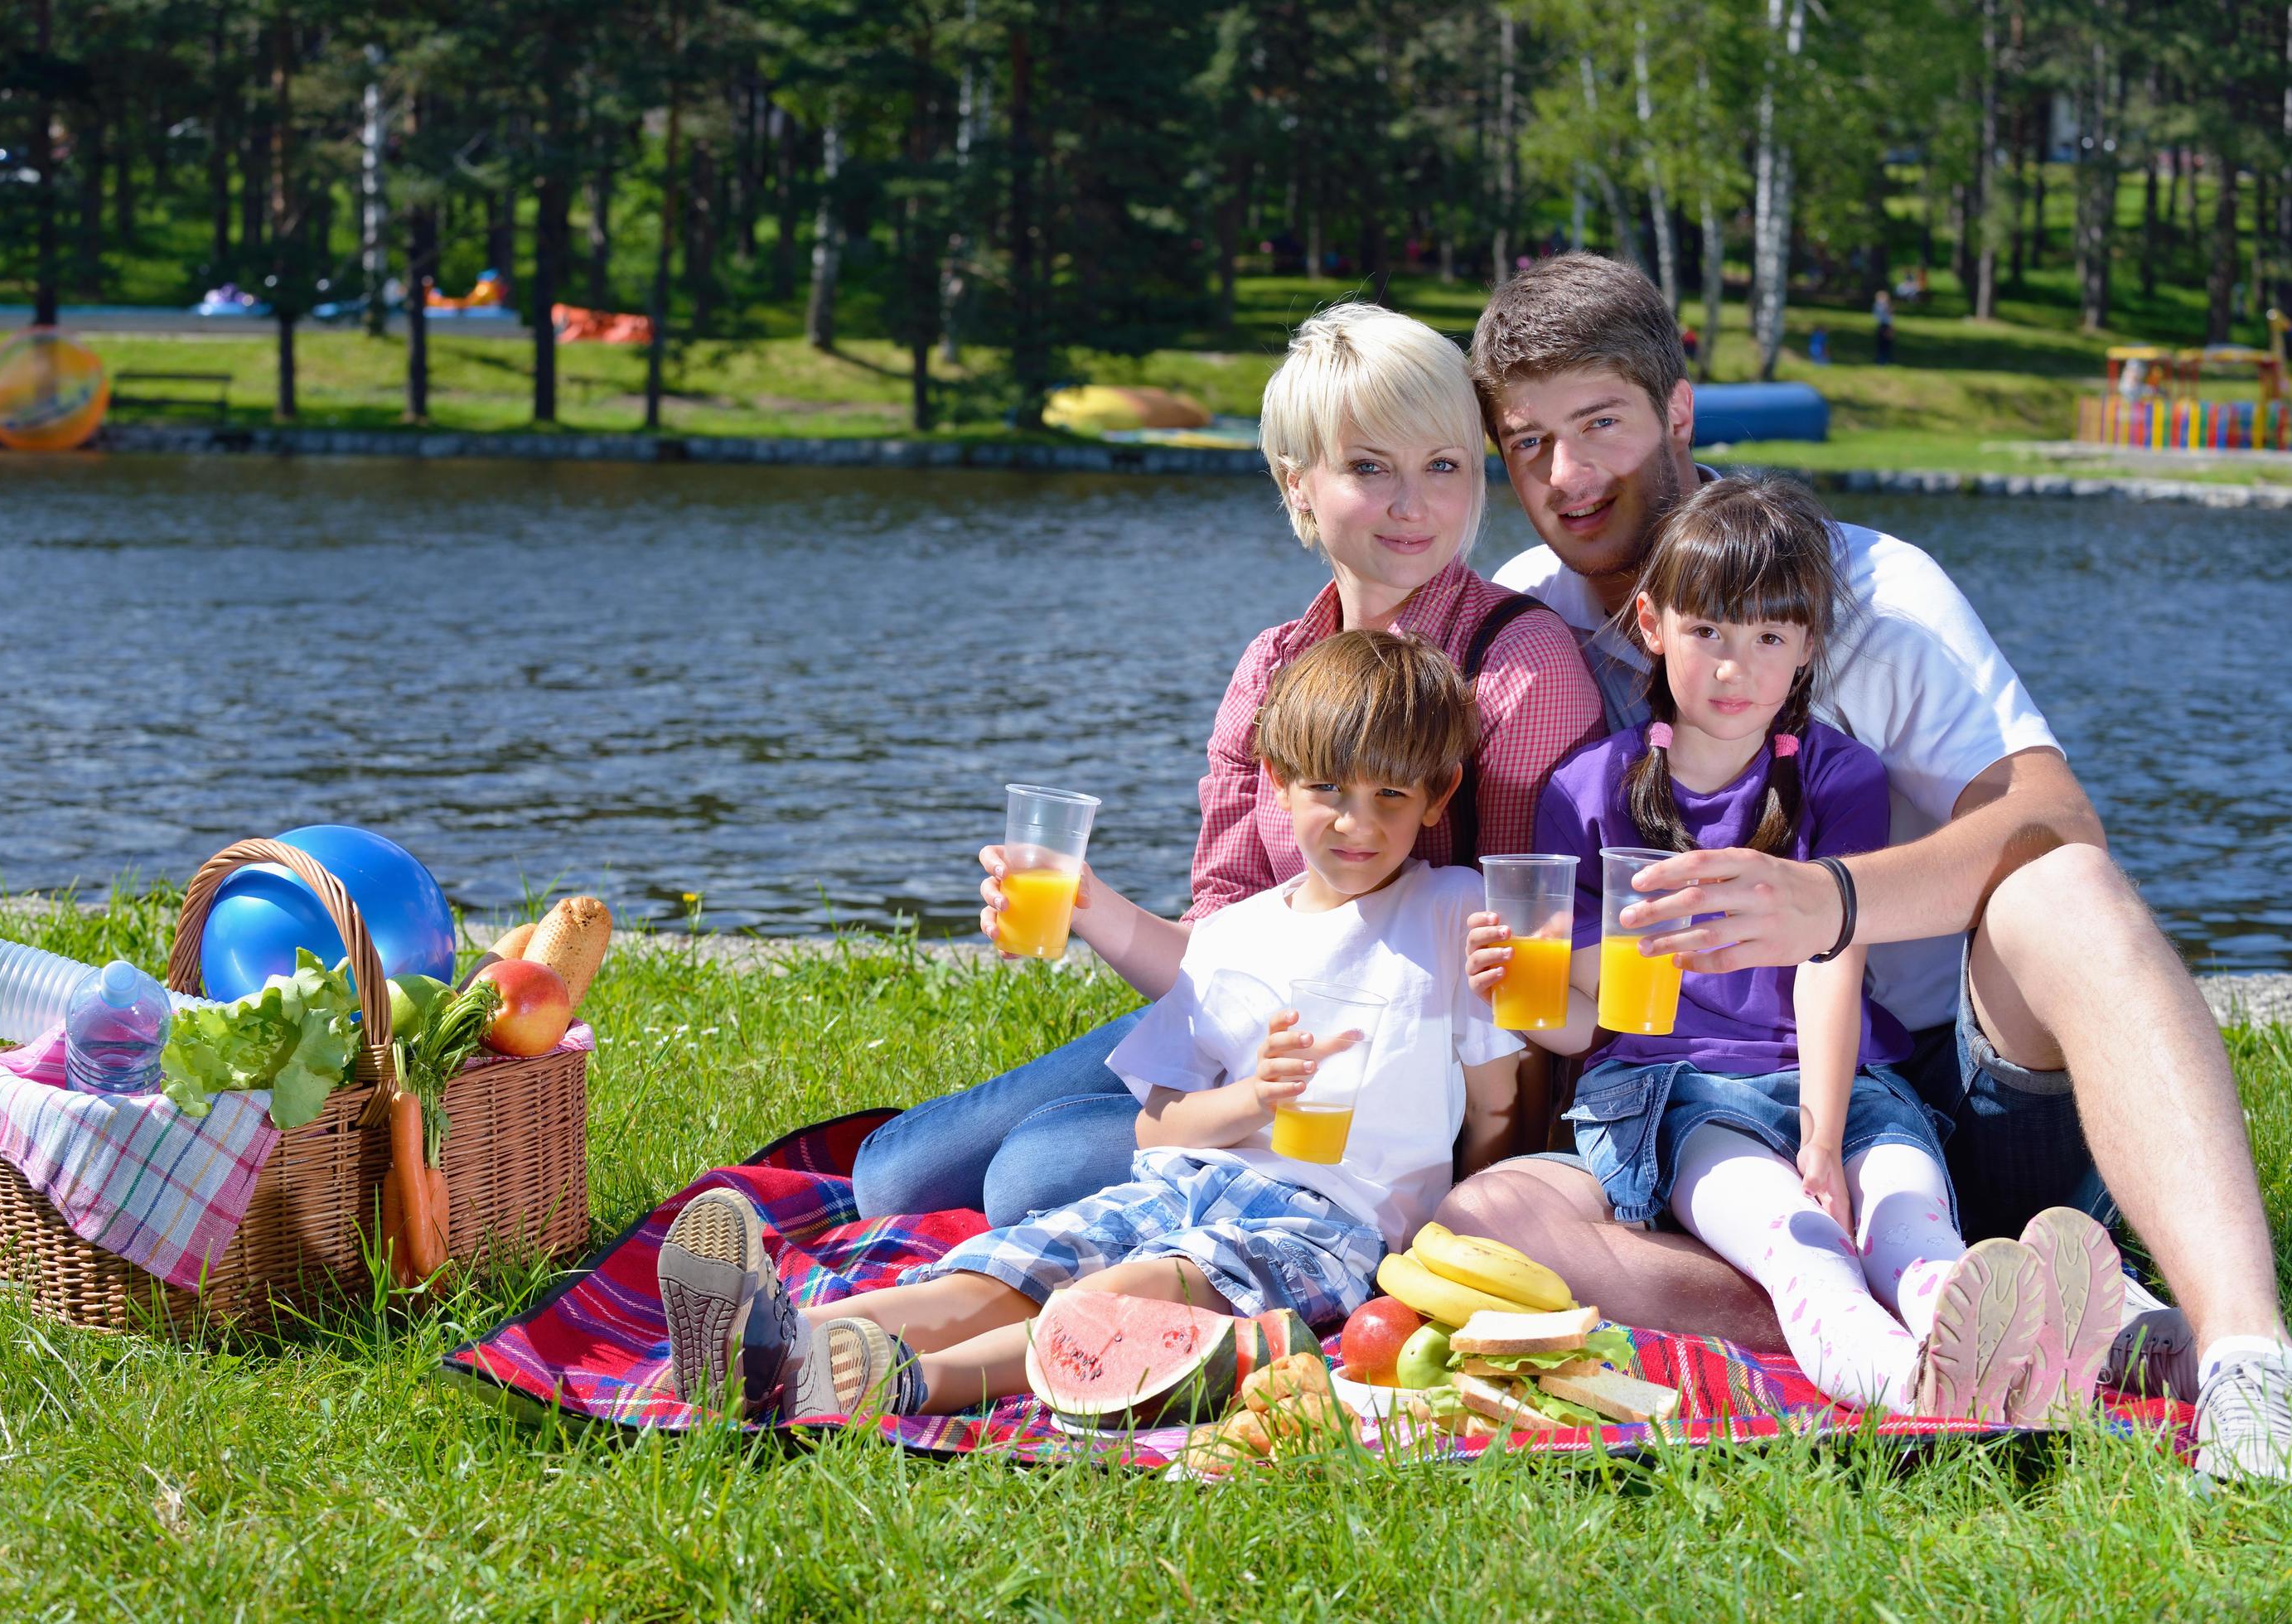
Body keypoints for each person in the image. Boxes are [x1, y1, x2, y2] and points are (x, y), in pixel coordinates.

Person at [1445, 251, 2291, 1479]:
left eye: (1600, 426)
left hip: (1938, 1093)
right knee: (1489, 1222)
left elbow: (2055, 813)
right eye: (1527, 443)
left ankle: (2244, 1361)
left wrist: (1827, 903)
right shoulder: (1530, 621)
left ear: (1678, 413)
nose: (1567, 478)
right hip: (1693, 1121)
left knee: (2064, 886)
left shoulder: (1873, 591)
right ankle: (2005, 1333)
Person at [846, 302, 1599, 1228]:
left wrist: (1488, 1176)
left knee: (1030, 1177)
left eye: (1443, 465)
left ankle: (1087, 1148)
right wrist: (1089, 906)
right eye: (1371, 467)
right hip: (1248, 1033)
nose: (1415, 504)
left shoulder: (1518, 666)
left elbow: (1531, 963)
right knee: (890, 1181)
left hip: (1390, 1091)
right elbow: (1220, 945)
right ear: (1298, 485)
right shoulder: (1276, 665)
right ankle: (1100, 1134)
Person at [658, 632, 1526, 1419]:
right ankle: (769, 1337)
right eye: (1328, 789)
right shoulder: (1232, 937)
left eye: (1390, 793)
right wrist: (1252, 1100)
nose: (1356, 821)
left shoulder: (1452, 911)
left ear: (1437, 796)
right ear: (1277, 781)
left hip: (1324, 1224)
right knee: (1015, 1265)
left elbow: (1493, 1109)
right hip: (1185, 1177)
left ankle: (885, 1378)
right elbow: (1159, 1121)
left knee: (1126, 1294)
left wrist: (1443, 1241)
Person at [1483, 472, 2120, 1419]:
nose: (1734, 669)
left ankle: (1995, 1329)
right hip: (1676, 1092)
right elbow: (1587, 1028)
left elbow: (1834, 961)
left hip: (1845, 1079)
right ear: (1653, 626)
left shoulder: (1835, 775)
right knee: (1801, 1242)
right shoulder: (1590, 788)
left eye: (1768, 638)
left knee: (1906, 1213)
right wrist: (1517, 981)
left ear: (1807, 648)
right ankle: (1915, 1383)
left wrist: (1823, 1135)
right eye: (1708, 633)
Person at [1871, 289, 1895, 365]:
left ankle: (1885, 358)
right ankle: (1881, 359)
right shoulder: (1880, 306)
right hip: (1883, 325)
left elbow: (1890, 317)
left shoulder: (1884, 306)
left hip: (1886, 325)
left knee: (1886, 344)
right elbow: (1882, 317)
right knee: (1882, 344)